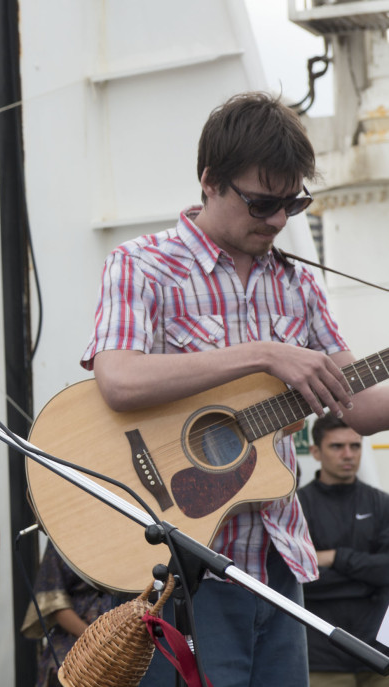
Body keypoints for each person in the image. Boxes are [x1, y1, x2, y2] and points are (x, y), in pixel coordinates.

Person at [80, 91, 389, 686]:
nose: (277, 220)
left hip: (277, 563)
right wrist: (266, 354)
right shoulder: (142, 265)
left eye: (292, 204)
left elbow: (363, 406)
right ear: (210, 181)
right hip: (182, 567)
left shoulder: (299, 285)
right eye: (262, 202)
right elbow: (117, 379)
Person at [298, 414, 389, 686]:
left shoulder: (381, 503)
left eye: (355, 446)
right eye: (337, 446)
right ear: (315, 451)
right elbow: (300, 579)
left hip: (378, 654)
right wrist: (366, 579)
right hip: (322, 656)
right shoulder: (297, 508)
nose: (348, 454)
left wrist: (336, 558)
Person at [21, 541, 124, 687]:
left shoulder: (128, 533)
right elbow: (54, 602)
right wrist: (96, 640)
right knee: (66, 673)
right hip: (75, 637)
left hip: (123, 635)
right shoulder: (61, 535)